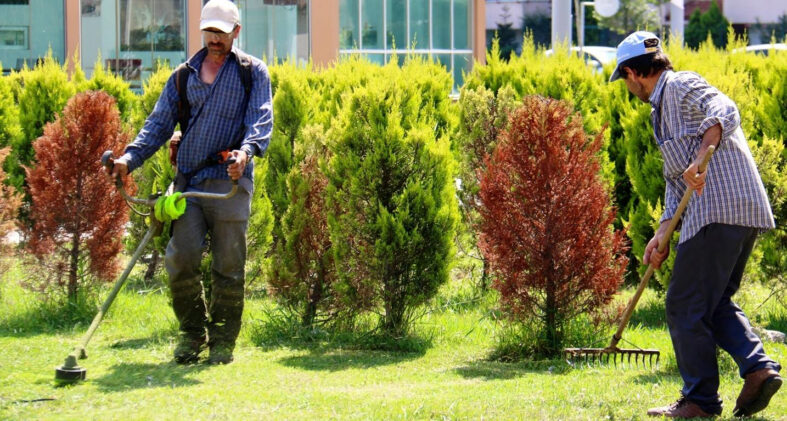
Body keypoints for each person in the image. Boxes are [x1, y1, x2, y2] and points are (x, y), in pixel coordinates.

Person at [609, 31, 782, 418]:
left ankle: (700, 401)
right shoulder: (660, 112)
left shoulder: (680, 85)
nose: (626, 86)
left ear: (633, 72)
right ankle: (758, 369)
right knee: (713, 302)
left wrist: (704, 154)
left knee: (684, 302)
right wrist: (663, 233)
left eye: (624, 79)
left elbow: (725, 107)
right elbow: (677, 182)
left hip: (718, 208)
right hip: (739, 211)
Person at [107, 0, 273, 365]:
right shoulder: (183, 76)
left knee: (228, 265)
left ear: (236, 32)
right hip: (190, 183)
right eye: (210, 31)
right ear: (202, 31)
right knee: (181, 258)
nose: (215, 39)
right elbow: (158, 125)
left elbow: (261, 118)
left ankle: (224, 341)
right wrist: (128, 159)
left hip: (230, 180)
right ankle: (191, 334)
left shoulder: (252, 72)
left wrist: (245, 153)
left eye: (222, 32)